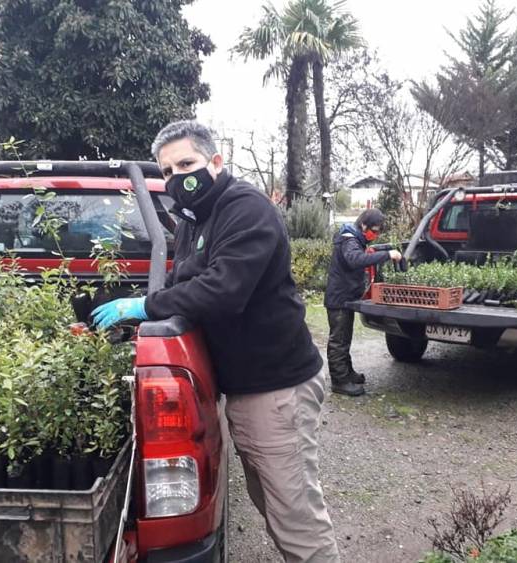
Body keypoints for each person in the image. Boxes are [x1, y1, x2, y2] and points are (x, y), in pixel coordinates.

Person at [92, 120, 341, 562]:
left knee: (296, 516)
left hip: (275, 388)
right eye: (167, 171)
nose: (177, 178)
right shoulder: (194, 218)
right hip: (246, 388)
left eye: (186, 163)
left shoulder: (244, 208)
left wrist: (145, 307)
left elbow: (224, 289)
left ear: (216, 161)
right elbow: (185, 278)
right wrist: (149, 310)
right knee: (271, 502)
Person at [324, 209, 402, 397]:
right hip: (339, 299)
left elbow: (363, 254)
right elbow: (355, 260)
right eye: (373, 231)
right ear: (363, 225)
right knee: (338, 341)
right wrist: (387, 255)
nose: (374, 235)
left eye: (377, 233)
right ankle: (339, 381)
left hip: (345, 298)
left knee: (345, 338)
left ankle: (347, 373)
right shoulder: (349, 239)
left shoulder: (355, 239)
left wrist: (382, 250)